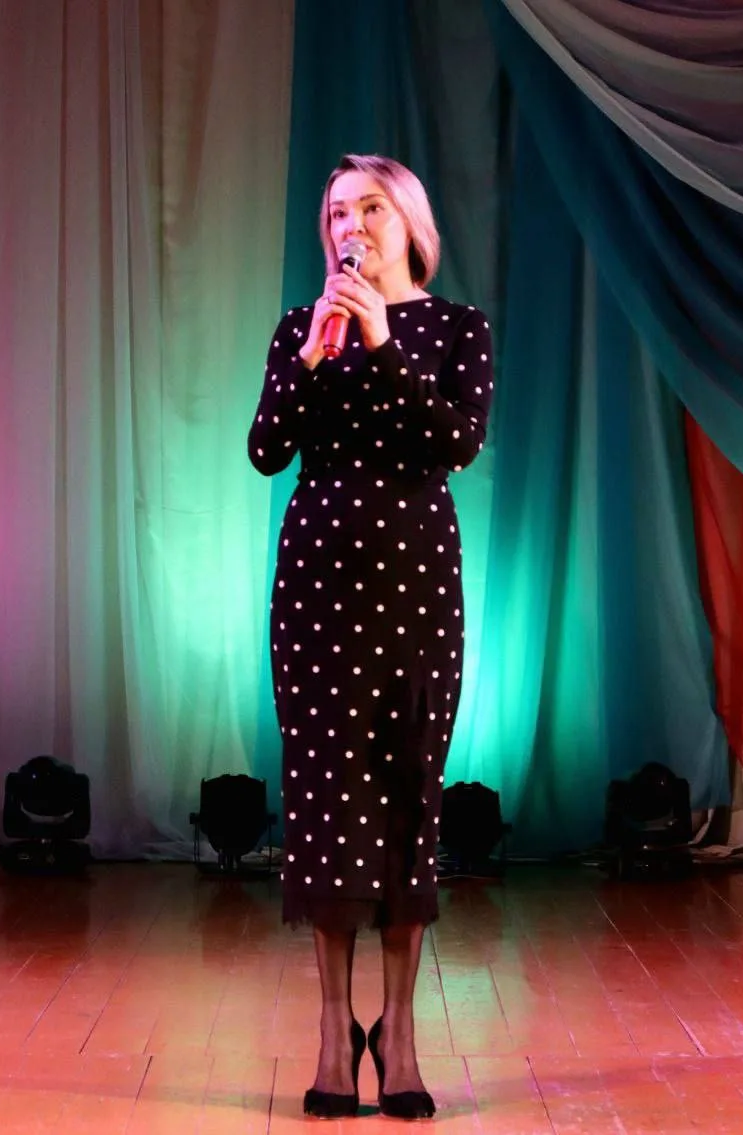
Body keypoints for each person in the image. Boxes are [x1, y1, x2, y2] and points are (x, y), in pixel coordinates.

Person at [247, 154, 493, 1120]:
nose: (352, 224)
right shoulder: (301, 328)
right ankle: (328, 1027)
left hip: (416, 588)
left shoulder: (456, 329)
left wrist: (384, 341)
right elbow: (267, 448)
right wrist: (314, 353)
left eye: (372, 207)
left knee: (404, 799)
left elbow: (456, 441)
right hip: (317, 588)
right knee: (325, 804)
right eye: (339, 212)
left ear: (410, 225)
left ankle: (399, 1033)